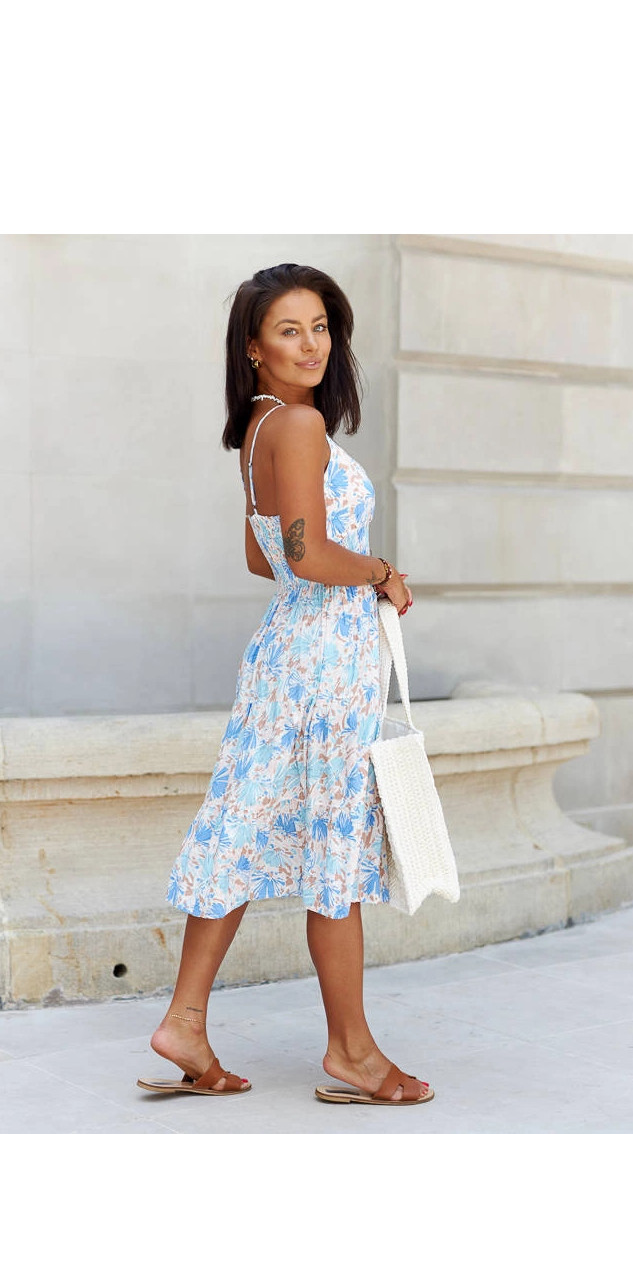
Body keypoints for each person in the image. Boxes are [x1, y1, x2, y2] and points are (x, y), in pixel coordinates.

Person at [136, 262, 433, 1107]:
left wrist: (330, 577)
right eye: (289, 331)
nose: (311, 345)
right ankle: (353, 1053)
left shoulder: (260, 427)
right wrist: (380, 571)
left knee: (240, 825)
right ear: (254, 348)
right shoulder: (297, 426)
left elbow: (259, 555)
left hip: (287, 653)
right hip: (326, 664)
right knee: (332, 846)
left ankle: (186, 1021)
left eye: (321, 327)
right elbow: (304, 554)